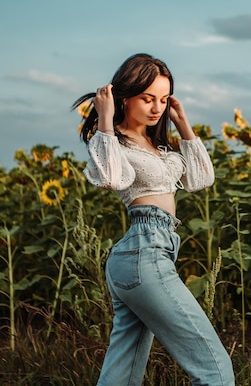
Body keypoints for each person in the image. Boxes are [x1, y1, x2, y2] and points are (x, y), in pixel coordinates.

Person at [72, 53, 235, 386]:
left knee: (122, 375)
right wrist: (105, 119)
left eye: (162, 99)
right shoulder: (113, 142)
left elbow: (200, 179)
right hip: (143, 253)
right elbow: (112, 178)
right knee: (215, 368)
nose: (157, 107)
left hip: (148, 255)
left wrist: (183, 122)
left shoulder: (156, 144)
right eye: (148, 98)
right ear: (125, 96)